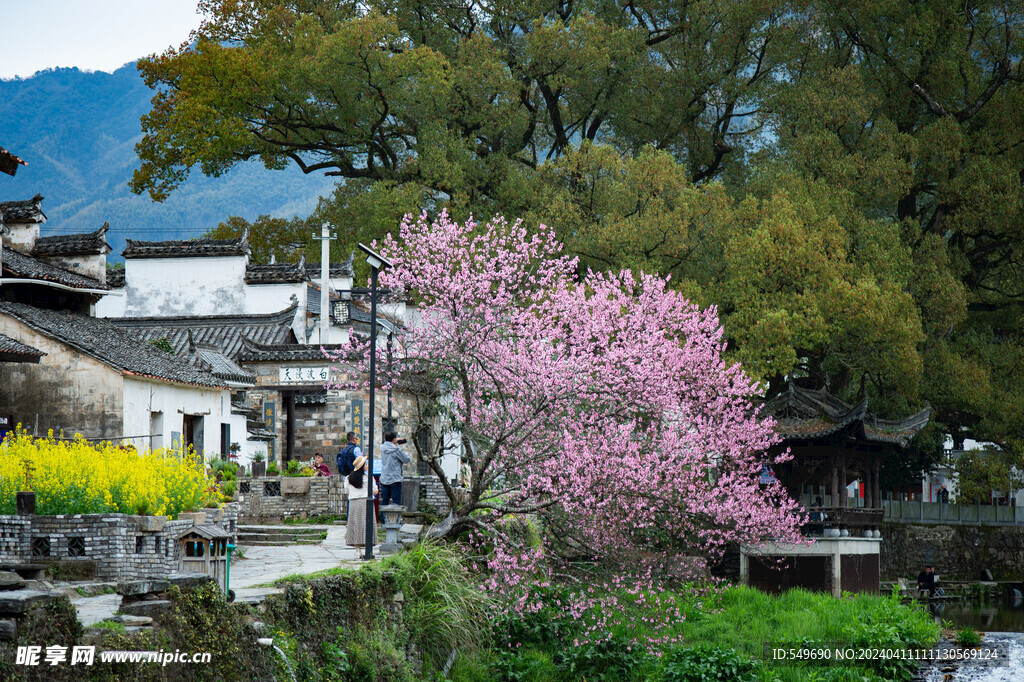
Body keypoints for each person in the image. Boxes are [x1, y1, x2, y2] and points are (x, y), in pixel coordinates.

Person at [345, 455, 377, 551]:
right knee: (367, 525)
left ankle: (357, 551)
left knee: (355, 526)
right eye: (365, 463)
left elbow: (347, 491)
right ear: (362, 466)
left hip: (353, 503)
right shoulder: (368, 478)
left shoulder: (348, 478)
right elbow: (375, 490)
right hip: (365, 502)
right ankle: (368, 549)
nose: (367, 465)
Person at [380, 431, 411, 507]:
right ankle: (394, 519)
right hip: (395, 479)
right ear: (393, 439)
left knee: (385, 501)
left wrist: (395, 441)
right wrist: (407, 454)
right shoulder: (396, 450)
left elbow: (388, 445)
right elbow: (406, 459)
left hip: (385, 478)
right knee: (396, 502)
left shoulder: (382, 448)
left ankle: (384, 519)